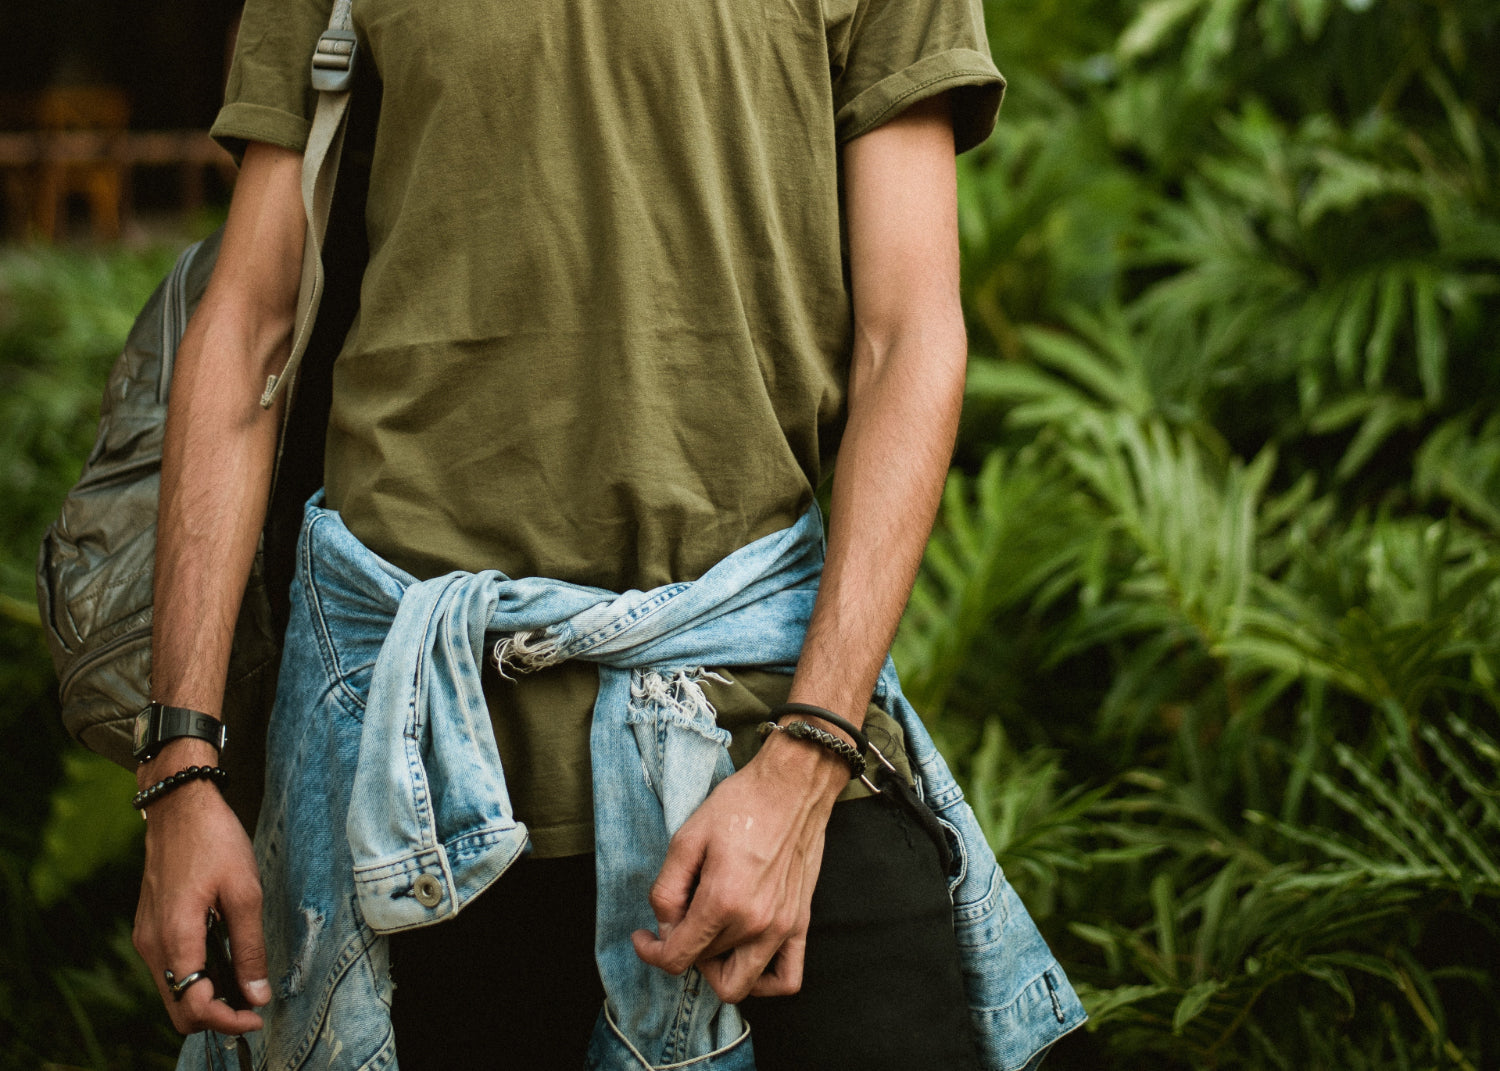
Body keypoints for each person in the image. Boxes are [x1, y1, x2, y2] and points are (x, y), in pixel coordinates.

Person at [129, 0, 1085, 1067]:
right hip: (406, 751)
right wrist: (181, 768)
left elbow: (908, 335)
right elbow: (247, 319)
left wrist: (810, 757)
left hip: (757, 708)